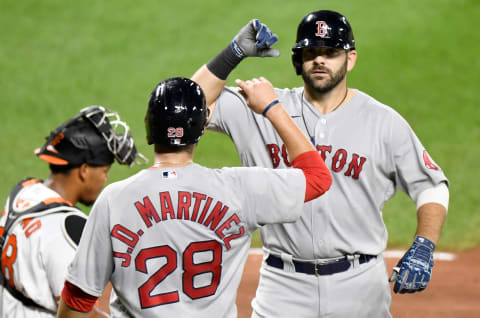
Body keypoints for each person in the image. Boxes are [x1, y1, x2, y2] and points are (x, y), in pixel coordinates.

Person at [191, 11, 449, 318]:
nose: (319, 60)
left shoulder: (383, 122)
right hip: (283, 286)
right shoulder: (259, 105)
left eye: (330, 52)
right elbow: (186, 105)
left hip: (360, 285)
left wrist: (424, 245)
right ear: (297, 60)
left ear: (349, 59)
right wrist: (232, 54)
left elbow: (431, 186)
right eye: (310, 52)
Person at [56, 77, 332, 318]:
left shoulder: (114, 200)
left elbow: (78, 298)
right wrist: (272, 108)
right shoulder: (240, 188)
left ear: (150, 127)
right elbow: (318, 178)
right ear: (202, 128)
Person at [0, 105, 144, 317]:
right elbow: (78, 312)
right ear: (84, 170)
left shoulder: (24, 191)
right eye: (104, 171)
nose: (106, 179)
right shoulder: (69, 229)